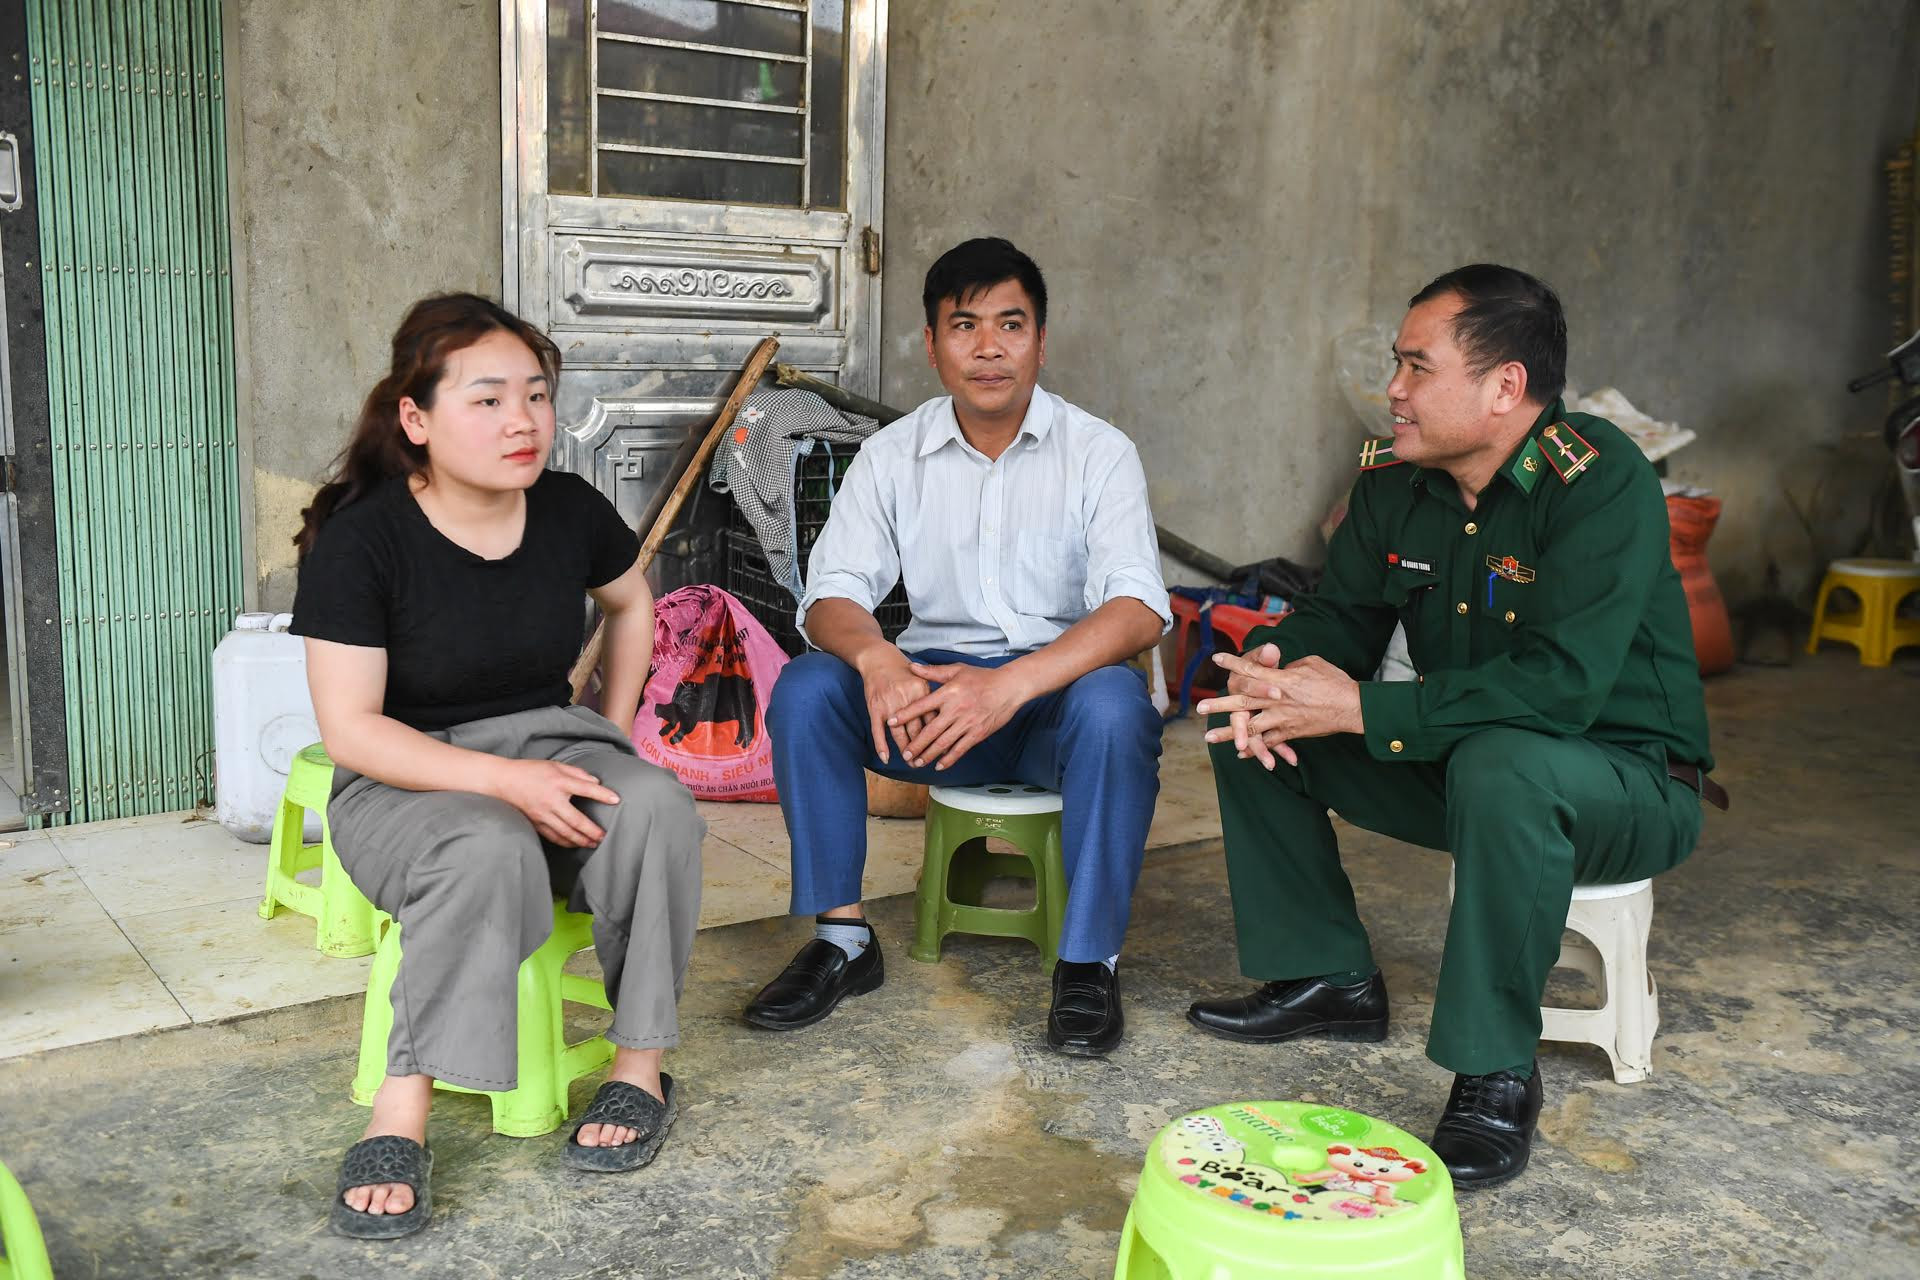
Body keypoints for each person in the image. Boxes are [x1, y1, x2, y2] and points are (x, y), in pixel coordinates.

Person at [1190, 264, 1724, 1187]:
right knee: (1252, 720)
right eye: (1396, 365)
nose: (1392, 390)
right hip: (1468, 760)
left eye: (1416, 367)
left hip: (1624, 781)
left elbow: (1560, 690)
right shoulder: (1396, 483)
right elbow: (1343, 618)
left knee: (1505, 765)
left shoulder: (1599, 481)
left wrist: (1358, 707)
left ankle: (1495, 1073)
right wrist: (1280, 666)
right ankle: (1327, 977)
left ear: (1504, 386)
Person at [291, 293, 705, 1239]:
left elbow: (631, 604)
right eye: (487, 400)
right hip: (406, 779)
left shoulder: (566, 508)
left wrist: (612, 733)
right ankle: (401, 1112)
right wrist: (506, 783)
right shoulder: (363, 538)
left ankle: (639, 1070)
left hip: (548, 743)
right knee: (484, 843)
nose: (522, 421)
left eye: (536, 396)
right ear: (416, 418)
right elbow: (352, 731)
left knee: (652, 806)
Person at [741, 238, 1171, 1057]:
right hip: (932, 712)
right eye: (964, 325)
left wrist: (1010, 687)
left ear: (1041, 342)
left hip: (1055, 715)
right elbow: (830, 595)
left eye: (1011, 324)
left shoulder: (1100, 453)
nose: (989, 347)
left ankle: (1088, 963)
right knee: (810, 688)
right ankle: (842, 941)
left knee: (1116, 704)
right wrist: (879, 661)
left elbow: (1139, 607)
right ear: (932, 345)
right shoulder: (891, 455)